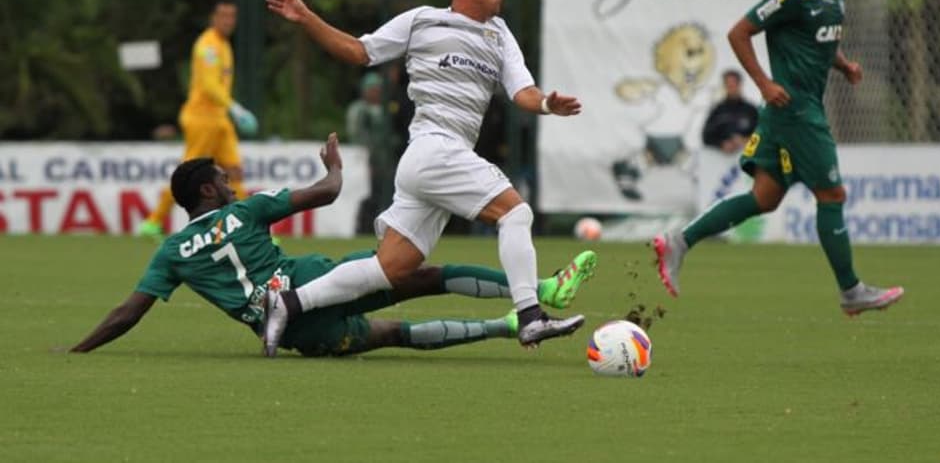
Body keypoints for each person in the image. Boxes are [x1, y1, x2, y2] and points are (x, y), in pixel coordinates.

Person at [262, 0, 584, 355]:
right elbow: (360, 52)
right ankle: (530, 317)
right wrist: (306, 17)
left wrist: (544, 104)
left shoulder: (499, 34)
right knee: (515, 212)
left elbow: (522, 89)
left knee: (391, 268)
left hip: (431, 162)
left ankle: (287, 302)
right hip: (434, 150)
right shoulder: (421, 20)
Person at [71, 134, 597, 356]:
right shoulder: (245, 210)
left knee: (394, 336)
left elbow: (128, 313)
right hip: (314, 279)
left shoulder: (171, 253)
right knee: (423, 277)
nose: (232, 184)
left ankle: (505, 327)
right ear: (208, 191)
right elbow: (328, 192)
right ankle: (539, 291)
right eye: (224, 180)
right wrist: (334, 165)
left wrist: (79, 348)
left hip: (303, 330)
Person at [653, 0, 904, 316]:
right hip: (797, 113)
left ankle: (678, 241)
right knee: (832, 195)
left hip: (789, 113)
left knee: (764, 198)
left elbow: (820, 45)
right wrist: (764, 83)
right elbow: (739, 33)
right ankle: (851, 290)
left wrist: (843, 66)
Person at [138, 0, 258, 239]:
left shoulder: (224, 45)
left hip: (220, 120)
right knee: (188, 175)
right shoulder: (208, 46)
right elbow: (208, 84)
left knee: (235, 172)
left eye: (232, 17)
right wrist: (234, 107)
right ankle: (152, 223)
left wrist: (228, 111)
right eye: (223, 16)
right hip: (202, 119)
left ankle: (252, 227)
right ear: (213, 18)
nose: (228, 21)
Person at [345, 71, 393, 234]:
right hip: (365, 162)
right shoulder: (358, 110)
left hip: (385, 162)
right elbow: (357, 136)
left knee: (384, 198)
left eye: (378, 88)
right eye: (372, 88)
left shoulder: (388, 109)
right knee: (366, 198)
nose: (376, 92)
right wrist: (367, 160)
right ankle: (362, 229)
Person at [701, 69, 759, 154]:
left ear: (740, 85)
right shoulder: (718, 110)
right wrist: (721, 144)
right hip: (724, 162)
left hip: (748, 159)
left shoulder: (751, 110)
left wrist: (746, 140)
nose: (731, 87)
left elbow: (763, 135)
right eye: (728, 84)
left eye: (733, 84)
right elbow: (706, 137)